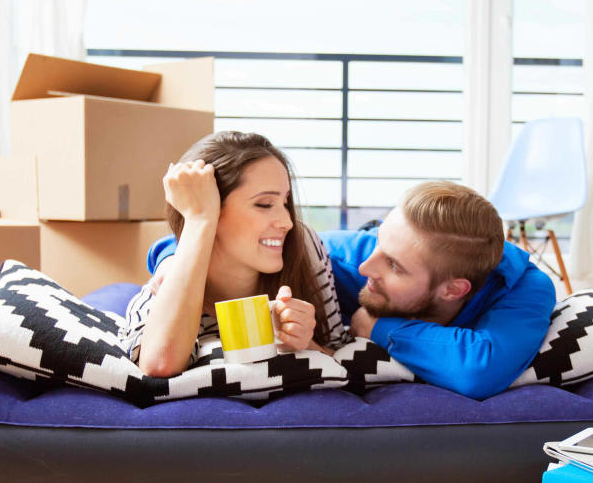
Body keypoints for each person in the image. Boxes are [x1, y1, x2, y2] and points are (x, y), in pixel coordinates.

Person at [122, 131, 349, 378]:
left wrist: (306, 343)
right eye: (264, 204)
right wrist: (199, 219)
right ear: (210, 208)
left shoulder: (303, 244)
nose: (287, 222)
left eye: (285, 202)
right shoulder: (166, 282)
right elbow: (159, 364)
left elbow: (338, 356)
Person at [318, 181, 556, 399]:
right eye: (379, 241)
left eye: (393, 265)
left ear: (453, 290)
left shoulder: (523, 287)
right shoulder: (335, 259)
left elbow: (478, 372)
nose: (365, 267)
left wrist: (378, 327)